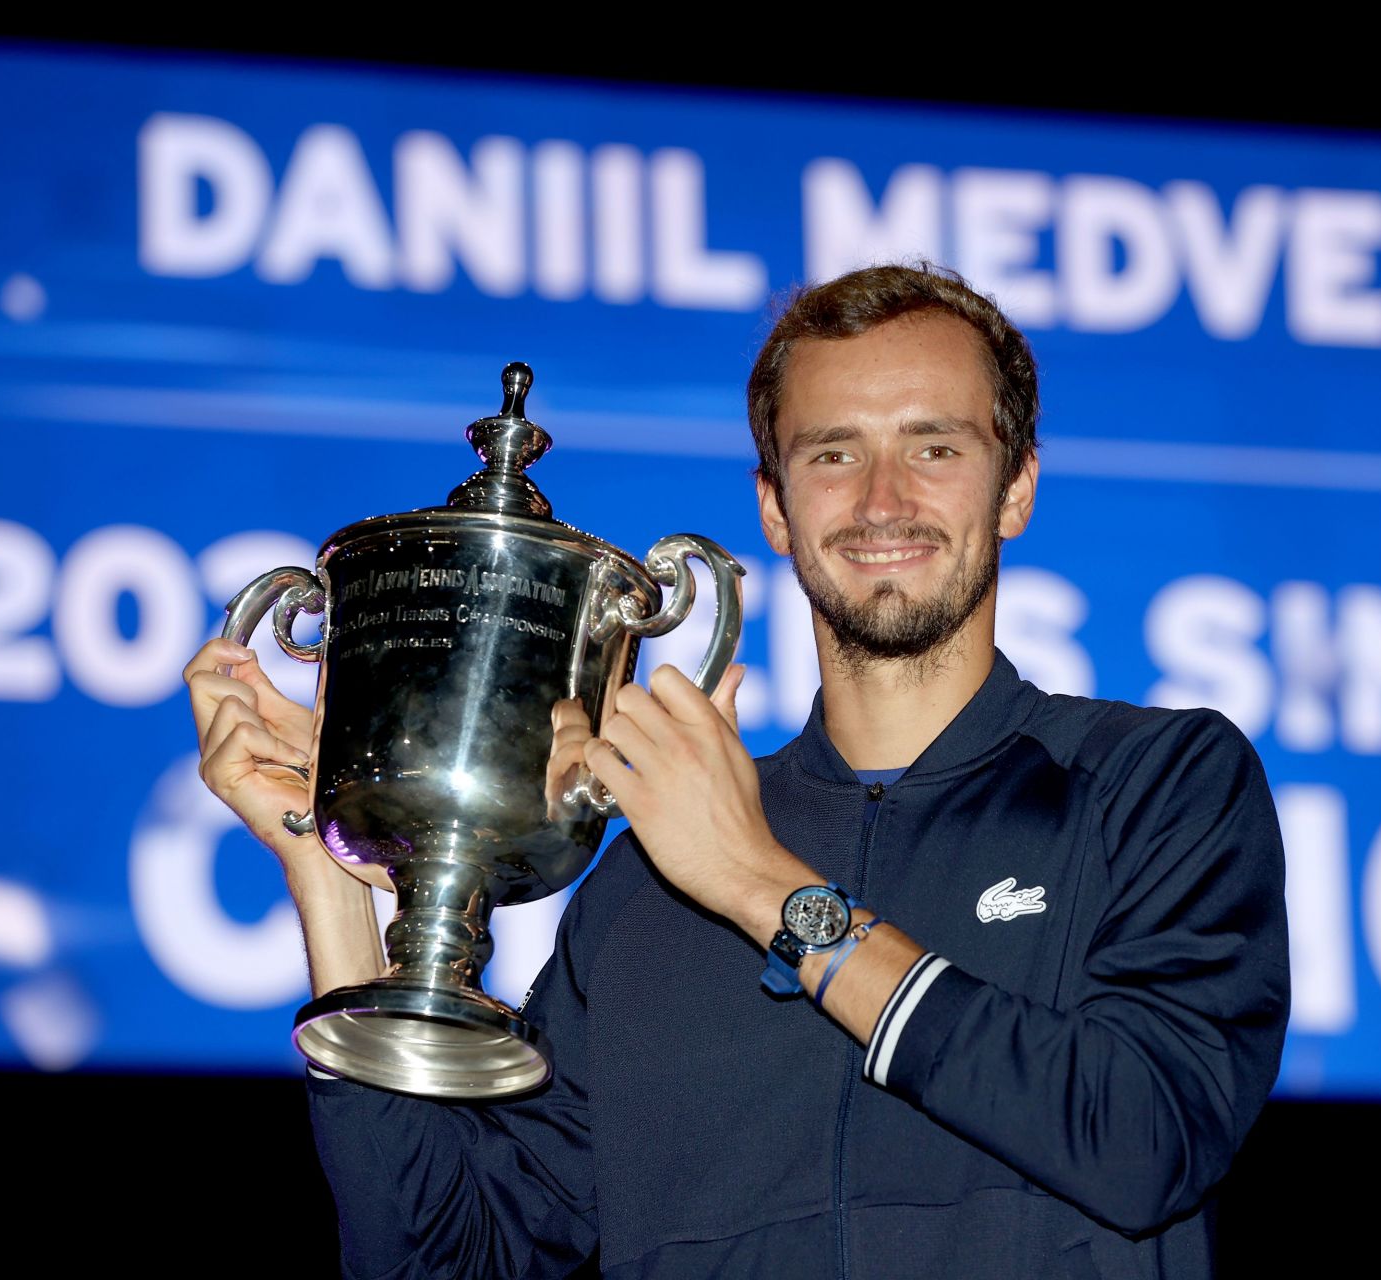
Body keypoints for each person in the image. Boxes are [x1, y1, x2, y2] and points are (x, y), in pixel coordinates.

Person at [185, 263, 1290, 1278]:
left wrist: (764, 887)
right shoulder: (640, 892)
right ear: (774, 505)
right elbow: (438, 1258)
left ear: (1016, 490)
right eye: (834, 452)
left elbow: (1143, 1137)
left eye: (935, 446)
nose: (883, 500)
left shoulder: (1157, 782)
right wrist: (327, 869)